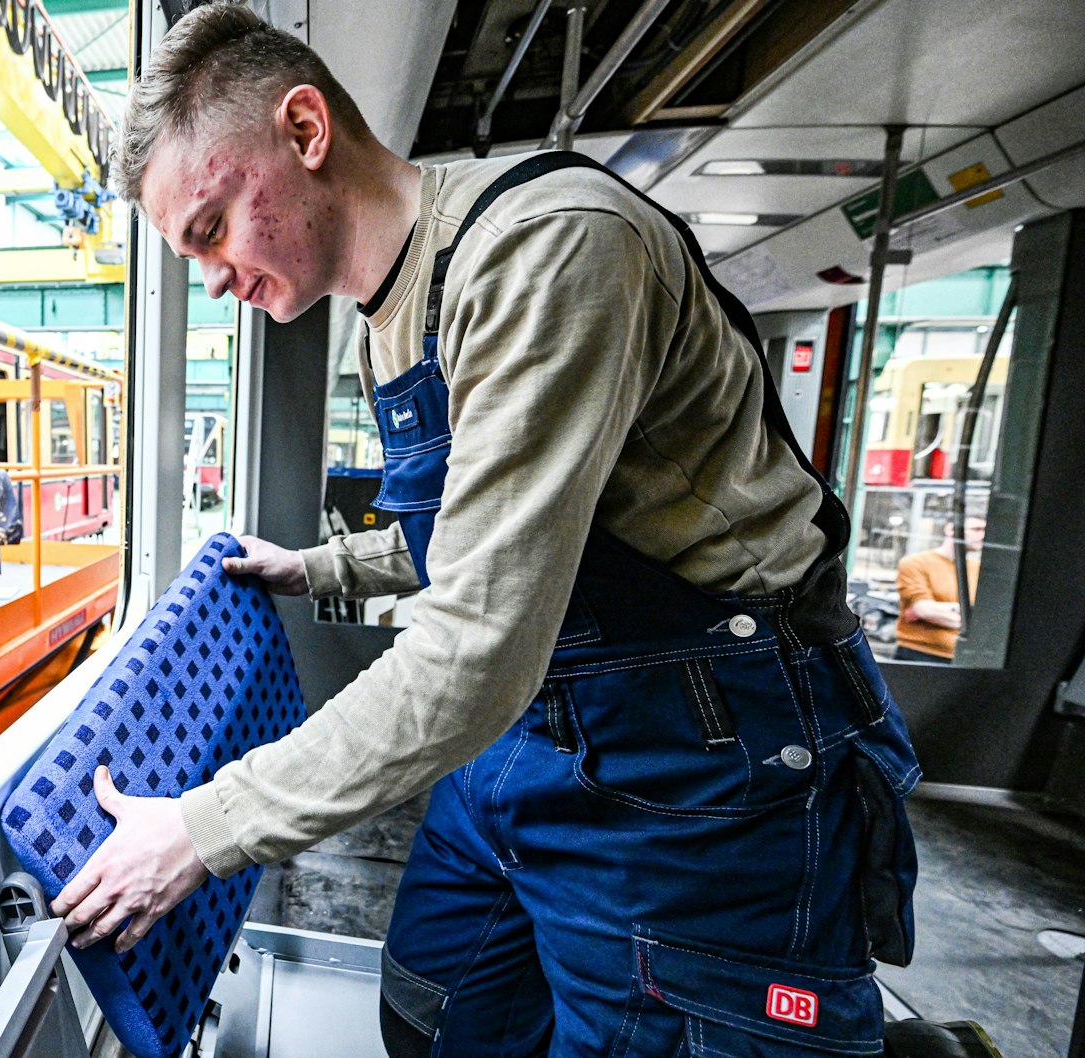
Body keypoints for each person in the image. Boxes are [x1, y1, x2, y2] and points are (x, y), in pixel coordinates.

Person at [50, 4, 921, 1055]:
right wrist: (318, 564)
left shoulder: (544, 251)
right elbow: (485, 534)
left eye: (210, 228)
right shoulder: (387, 315)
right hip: (534, 726)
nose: (214, 276)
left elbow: (476, 642)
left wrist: (197, 831)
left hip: (698, 756)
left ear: (304, 131)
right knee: (432, 1006)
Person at [893, 515, 986, 663]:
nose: (983, 535)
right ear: (951, 529)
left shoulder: (979, 568)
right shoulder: (915, 563)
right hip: (919, 654)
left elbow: (985, 617)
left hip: (963, 656)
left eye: (984, 530)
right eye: (976, 529)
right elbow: (923, 610)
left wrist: (945, 611)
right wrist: (968, 616)